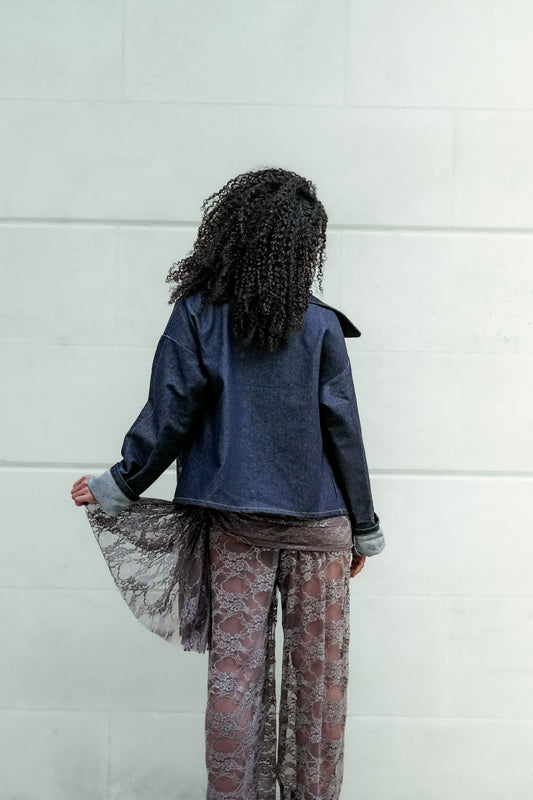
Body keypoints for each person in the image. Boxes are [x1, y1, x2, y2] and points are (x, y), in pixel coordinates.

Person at [70, 166, 385, 800]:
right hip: (321, 529)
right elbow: (343, 431)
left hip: (237, 527)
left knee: (234, 683)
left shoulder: (197, 315)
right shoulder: (322, 325)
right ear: (304, 246)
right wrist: (364, 527)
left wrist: (119, 483)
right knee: (320, 690)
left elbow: (171, 412)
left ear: (231, 233)